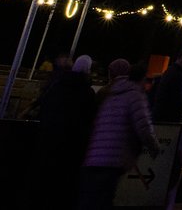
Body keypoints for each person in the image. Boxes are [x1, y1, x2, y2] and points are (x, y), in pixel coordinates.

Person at [79, 59, 158, 210]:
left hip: (94, 155)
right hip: (114, 156)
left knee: (90, 199)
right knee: (103, 199)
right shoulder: (135, 96)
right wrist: (154, 147)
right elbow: (143, 126)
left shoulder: (110, 93)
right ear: (142, 79)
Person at [31, 54, 98, 210]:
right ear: (88, 70)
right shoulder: (87, 92)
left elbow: (45, 106)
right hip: (72, 146)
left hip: (49, 141)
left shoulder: (58, 86)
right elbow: (90, 118)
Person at [152, 51, 182, 124]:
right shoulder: (179, 76)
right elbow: (179, 100)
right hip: (169, 118)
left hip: (161, 116)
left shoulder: (170, 71)